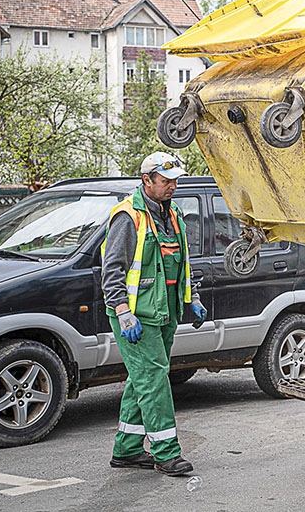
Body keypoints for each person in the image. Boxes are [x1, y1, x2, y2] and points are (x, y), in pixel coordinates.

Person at [101, 152, 207, 476]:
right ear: (147, 180)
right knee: (155, 380)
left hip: (164, 312)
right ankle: (167, 453)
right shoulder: (127, 216)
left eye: (175, 180)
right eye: (166, 181)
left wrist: (193, 299)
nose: (172, 186)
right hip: (136, 317)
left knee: (142, 380)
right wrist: (122, 312)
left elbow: (180, 263)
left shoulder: (172, 213)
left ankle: (128, 449)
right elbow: (112, 270)